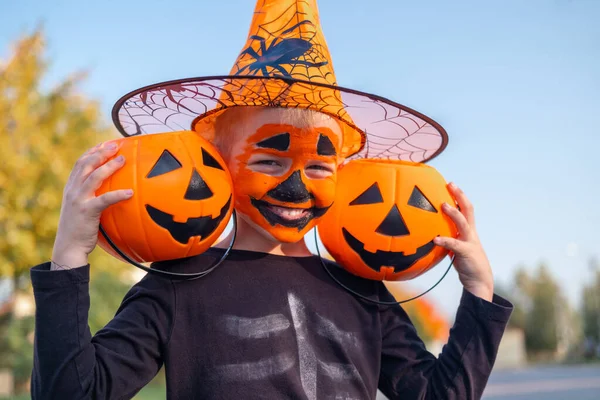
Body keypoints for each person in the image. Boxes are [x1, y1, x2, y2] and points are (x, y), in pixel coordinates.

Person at [30, 1, 512, 398]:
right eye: (269, 160)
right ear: (220, 163)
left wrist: (478, 294)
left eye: (320, 166)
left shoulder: (363, 290)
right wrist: (69, 258)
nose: (296, 186)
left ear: (341, 171)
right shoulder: (177, 284)